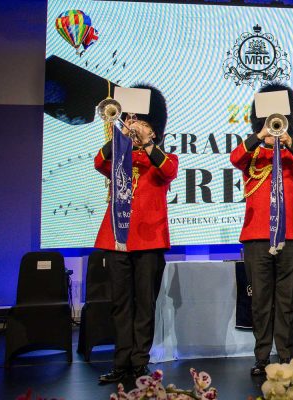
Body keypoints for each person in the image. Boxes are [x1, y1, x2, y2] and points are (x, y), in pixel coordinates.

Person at [230, 82, 293, 376]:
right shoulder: (252, 154)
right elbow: (235, 158)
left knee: (286, 300)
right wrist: (261, 136)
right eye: (269, 120)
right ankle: (260, 357)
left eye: (279, 120)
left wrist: (288, 139)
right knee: (260, 301)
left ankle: (285, 356)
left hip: (291, 234)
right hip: (256, 235)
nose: (274, 124)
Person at [95, 84, 178, 383]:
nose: (138, 128)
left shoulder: (162, 160)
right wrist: (121, 132)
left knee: (145, 304)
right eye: (135, 122)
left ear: (155, 132)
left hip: (150, 241)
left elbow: (168, 170)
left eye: (145, 124)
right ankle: (121, 363)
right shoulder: (120, 157)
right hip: (117, 239)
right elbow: (98, 162)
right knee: (120, 305)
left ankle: (139, 362)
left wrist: (146, 142)